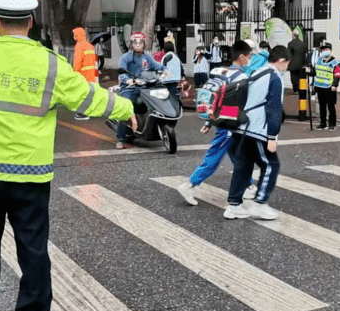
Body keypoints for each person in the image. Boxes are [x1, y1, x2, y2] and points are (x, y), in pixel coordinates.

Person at [0, 0, 136, 311]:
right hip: (29, 173)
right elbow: (88, 98)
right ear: (31, 22)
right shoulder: (51, 64)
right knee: (32, 247)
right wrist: (126, 109)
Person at [177, 41, 259, 206]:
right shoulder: (241, 77)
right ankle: (190, 184)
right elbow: (242, 103)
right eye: (249, 56)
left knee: (237, 155)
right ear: (242, 57)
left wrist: (209, 121)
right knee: (215, 156)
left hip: (223, 119)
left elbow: (216, 100)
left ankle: (250, 186)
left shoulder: (224, 72)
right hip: (230, 122)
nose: (250, 59)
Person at [224, 45, 289, 220]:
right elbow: (274, 108)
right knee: (270, 165)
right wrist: (272, 136)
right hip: (257, 128)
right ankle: (260, 202)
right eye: (286, 64)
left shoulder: (256, 72)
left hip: (241, 126)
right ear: (281, 61)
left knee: (243, 165)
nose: (286, 69)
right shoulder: (275, 77)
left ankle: (233, 205)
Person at [116, 32, 164, 149]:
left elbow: (158, 66)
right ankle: (120, 139)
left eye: (140, 42)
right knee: (125, 107)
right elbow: (121, 72)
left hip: (144, 87)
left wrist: (168, 70)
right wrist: (127, 80)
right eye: (135, 42)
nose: (138, 44)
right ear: (132, 44)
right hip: (129, 88)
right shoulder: (125, 57)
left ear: (144, 43)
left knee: (158, 100)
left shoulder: (147, 57)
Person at [71, 27, 99, 119]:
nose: (74, 37)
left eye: (75, 35)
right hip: (91, 75)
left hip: (83, 75)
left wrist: (75, 74)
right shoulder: (90, 46)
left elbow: (77, 62)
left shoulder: (79, 46)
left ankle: (82, 113)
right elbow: (94, 61)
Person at [314, 41, 340, 130]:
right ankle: (323, 123)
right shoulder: (319, 60)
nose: (325, 51)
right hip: (319, 86)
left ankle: (332, 124)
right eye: (323, 50)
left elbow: (337, 74)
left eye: (327, 49)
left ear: (330, 50)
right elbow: (316, 72)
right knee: (322, 106)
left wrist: (335, 85)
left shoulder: (335, 62)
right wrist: (309, 71)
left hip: (330, 87)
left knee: (331, 106)